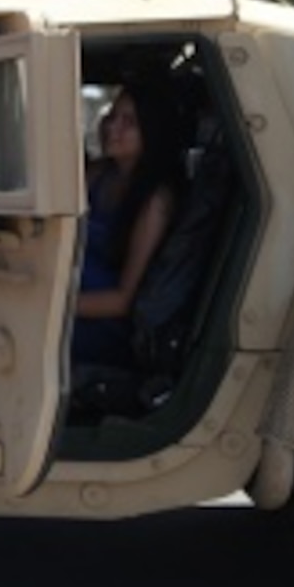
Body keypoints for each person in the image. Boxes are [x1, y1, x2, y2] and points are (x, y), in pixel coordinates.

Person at [70, 83, 183, 371]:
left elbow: (123, 300)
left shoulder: (155, 202)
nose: (112, 128)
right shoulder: (98, 174)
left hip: (98, 320)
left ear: (152, 132)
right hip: (69, 291)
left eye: (129, 122)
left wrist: (55, 307)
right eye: (112, 115)